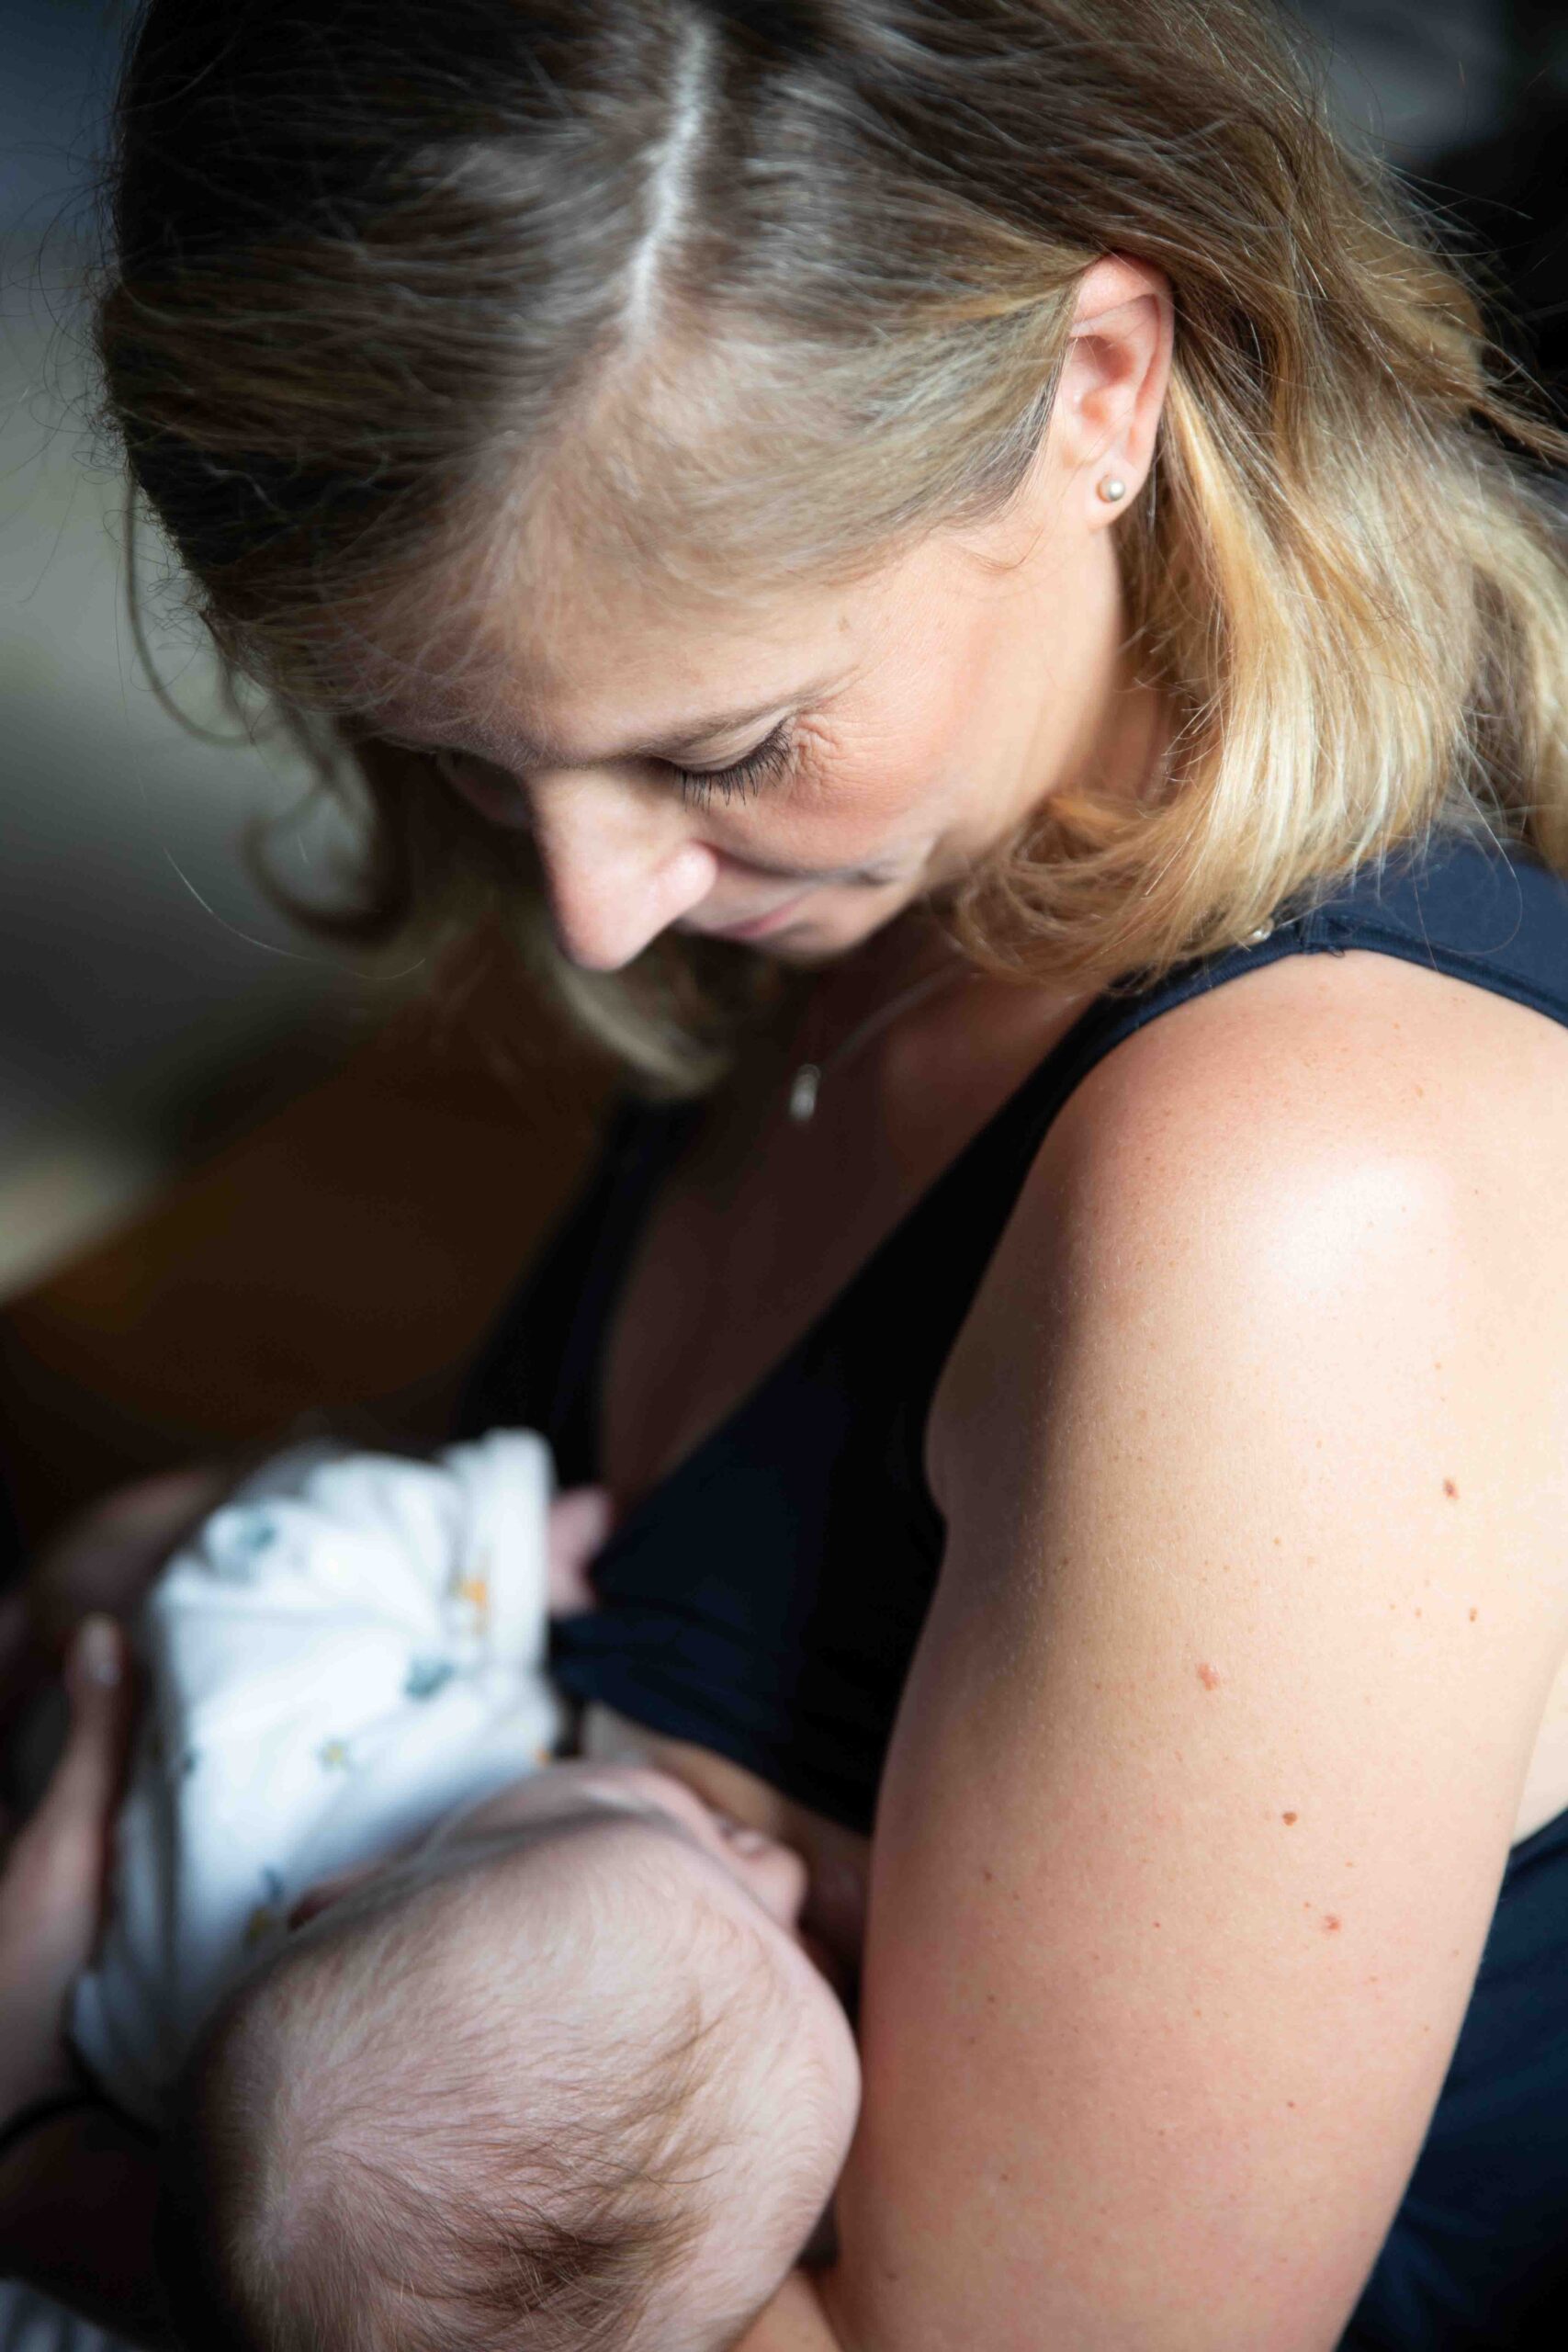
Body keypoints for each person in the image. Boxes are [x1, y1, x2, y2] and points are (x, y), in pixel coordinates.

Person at [6, 0, 1568, 2343]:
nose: (591, 911)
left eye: (723, 745)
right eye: (472, 747)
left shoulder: (1295, 1206)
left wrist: (57, 2146)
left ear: (1095, 390)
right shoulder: (881, 888)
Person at [0, 1440, 856, 2352]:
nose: (782, 1871)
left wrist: (493, 1547)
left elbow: (263, 1574)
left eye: (659, 1823)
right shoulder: (207, 2141)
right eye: (800, 1948)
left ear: (347, 1889)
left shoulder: (269, 1773)